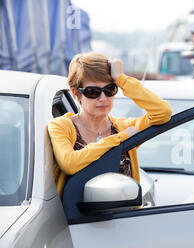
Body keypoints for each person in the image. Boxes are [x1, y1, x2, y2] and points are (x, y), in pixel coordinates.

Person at [48, 52, 172, 196]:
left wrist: (121, 79)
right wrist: (119, 139)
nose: (103, 98)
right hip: (77, 218)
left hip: (124, 216)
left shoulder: (123, 127)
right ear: (76, 93)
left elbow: (163, 112)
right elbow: (70, 164)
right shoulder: (61, 126)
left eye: (109, 90)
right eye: (93, 92)